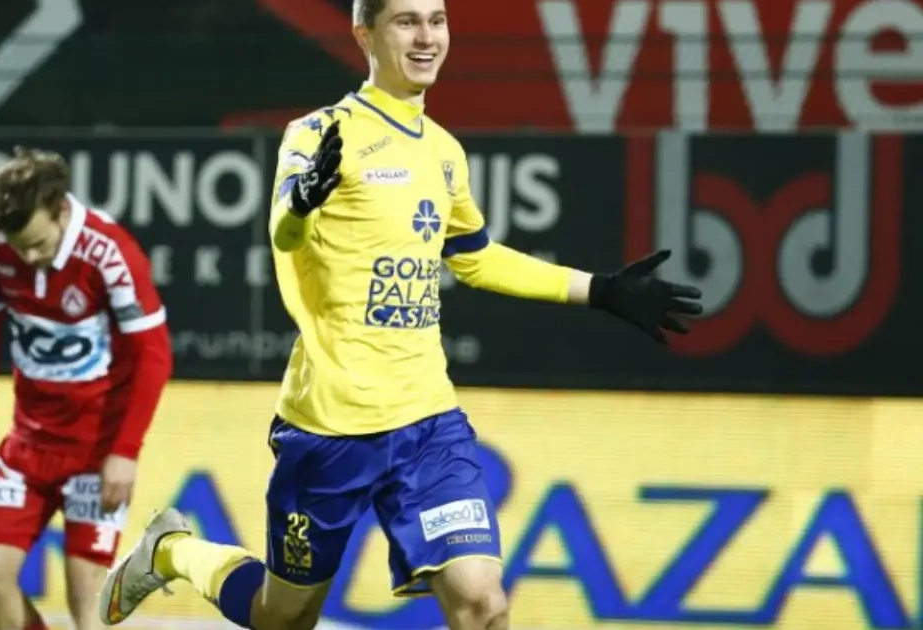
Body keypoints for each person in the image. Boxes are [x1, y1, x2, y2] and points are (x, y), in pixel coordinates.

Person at [98, 0, 703, 628]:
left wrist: (600, 290)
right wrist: (302, 204)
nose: (426, 37)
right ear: (364, 33)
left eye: (436, 20)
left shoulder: (443, 152)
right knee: (282, 618)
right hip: (330, 429)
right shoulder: (319, 134)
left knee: (483, 604)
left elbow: (475, 258)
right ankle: (171, 551)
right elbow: (284, 232)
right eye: (406, 21)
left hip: (427, 424)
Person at [0, 146, 173, 630]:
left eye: (38, 244)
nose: (30, 257)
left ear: (60, 210)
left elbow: (155, 355)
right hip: (27, 446)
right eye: (21, 248)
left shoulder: (110, 252)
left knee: (88, 609)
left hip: (95, 452)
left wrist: (125, 451)